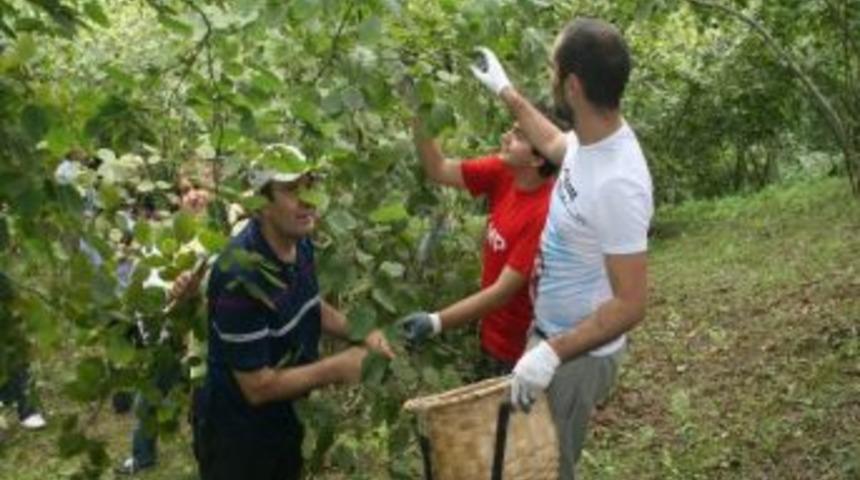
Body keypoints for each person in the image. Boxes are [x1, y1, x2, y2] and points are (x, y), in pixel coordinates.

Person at [471, 18, 654, 479]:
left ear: (571, 85)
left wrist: (553, 352)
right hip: (550, 336)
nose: (548, 78)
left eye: (553, 69)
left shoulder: (619, 181)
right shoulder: (589, 141)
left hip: (576, 356)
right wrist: (505, 92)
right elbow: (553, 143)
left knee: (549, 469)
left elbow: (631, 304)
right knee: (528, 461)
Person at [191, 144, 394, 480]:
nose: (307, 199)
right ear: (261, 203)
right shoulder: (239, 276)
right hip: (238, 436)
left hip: (284, 418)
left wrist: (362, 334)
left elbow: (310, 304)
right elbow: (256, 387)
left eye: (310, 185)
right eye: (290, 189)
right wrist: (337, 367)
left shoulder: (300, 243)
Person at [399, 111, 558, 376]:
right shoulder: (504, 171)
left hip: (520, 350)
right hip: (489, 332)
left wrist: (435, 321)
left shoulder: (544, 214)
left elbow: (502, 293)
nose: (505, 137)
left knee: (507, 415)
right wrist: (420, 113)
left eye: (518, 135)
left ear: (538, 157)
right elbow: (438, 169)